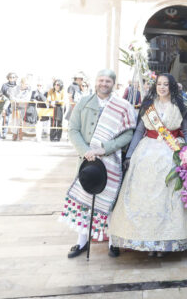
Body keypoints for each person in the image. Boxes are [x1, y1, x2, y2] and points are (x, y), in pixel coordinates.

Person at [109, 74, 187, 257]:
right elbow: (139, 131)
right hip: (146, 154)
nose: (162, 87)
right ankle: (147, 240)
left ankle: (164, 242)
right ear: (155, 86)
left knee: (167, 198)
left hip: (172, 153)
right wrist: (130, 154)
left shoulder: (181, 106)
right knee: (144, 196)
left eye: (166, 84)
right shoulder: (148, 106)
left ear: (172, 87)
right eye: (159, 84)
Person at [59, 69, 136, 258]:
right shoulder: (84, 103)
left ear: (113, 84)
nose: (104, 84)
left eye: (108, 81)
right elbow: (73, 130)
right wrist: (85, 151)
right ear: (95, 82)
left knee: (111, 202)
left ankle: (113, 242)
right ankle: (81, 242)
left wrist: (106, 148)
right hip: (87, 161)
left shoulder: (123, 106)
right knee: (85, 199)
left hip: (110, 161)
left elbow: (129, 134)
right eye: (101, 80)